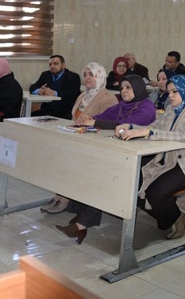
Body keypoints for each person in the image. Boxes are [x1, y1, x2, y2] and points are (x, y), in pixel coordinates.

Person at [54, 75, 156, 241]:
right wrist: (89, 119)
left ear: (138, 88)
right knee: (88, 166)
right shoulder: (122, 105)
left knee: (103, 175)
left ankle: (82, 224)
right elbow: (105, 116)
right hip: (121, 150)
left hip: (140, 157)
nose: (123, 91)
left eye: (128, 87)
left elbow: (127, 126)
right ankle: (82, 217)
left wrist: (94, 123)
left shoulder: (147, 107)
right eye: (122, 88)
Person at [121, 75, 185, 239]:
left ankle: (175, 216)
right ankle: (177, 212)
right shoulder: (171, 109)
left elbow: (183, 136)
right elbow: (154, 127)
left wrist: (149, 132)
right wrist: (132, 127)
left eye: (175, 92)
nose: (170, 96)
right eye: (169, 92)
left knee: (155, 192)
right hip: (169, 160)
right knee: (136, 184)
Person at [40, 62, 119, 215]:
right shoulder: (83, 96)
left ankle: (64, 198)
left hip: (94, 144)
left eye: (92, 74)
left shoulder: (109, 99)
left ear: (100, 76)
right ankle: (59, 195)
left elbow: (107, 126)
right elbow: (73, 119)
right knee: (57, 156)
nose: (87, 78)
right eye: (85, 74)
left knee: (68, 160)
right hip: (76, 139)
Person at [28, 55, 81, 119]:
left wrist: (55, 93)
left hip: (65, 111)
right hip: (47, 109)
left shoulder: (73, 77)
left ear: (63, 65)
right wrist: (39, 91)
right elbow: (32, 87)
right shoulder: (45, 75)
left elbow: (73, 94)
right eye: (50, 64)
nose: (52, 66)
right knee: (28, 118)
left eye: (55, 64)